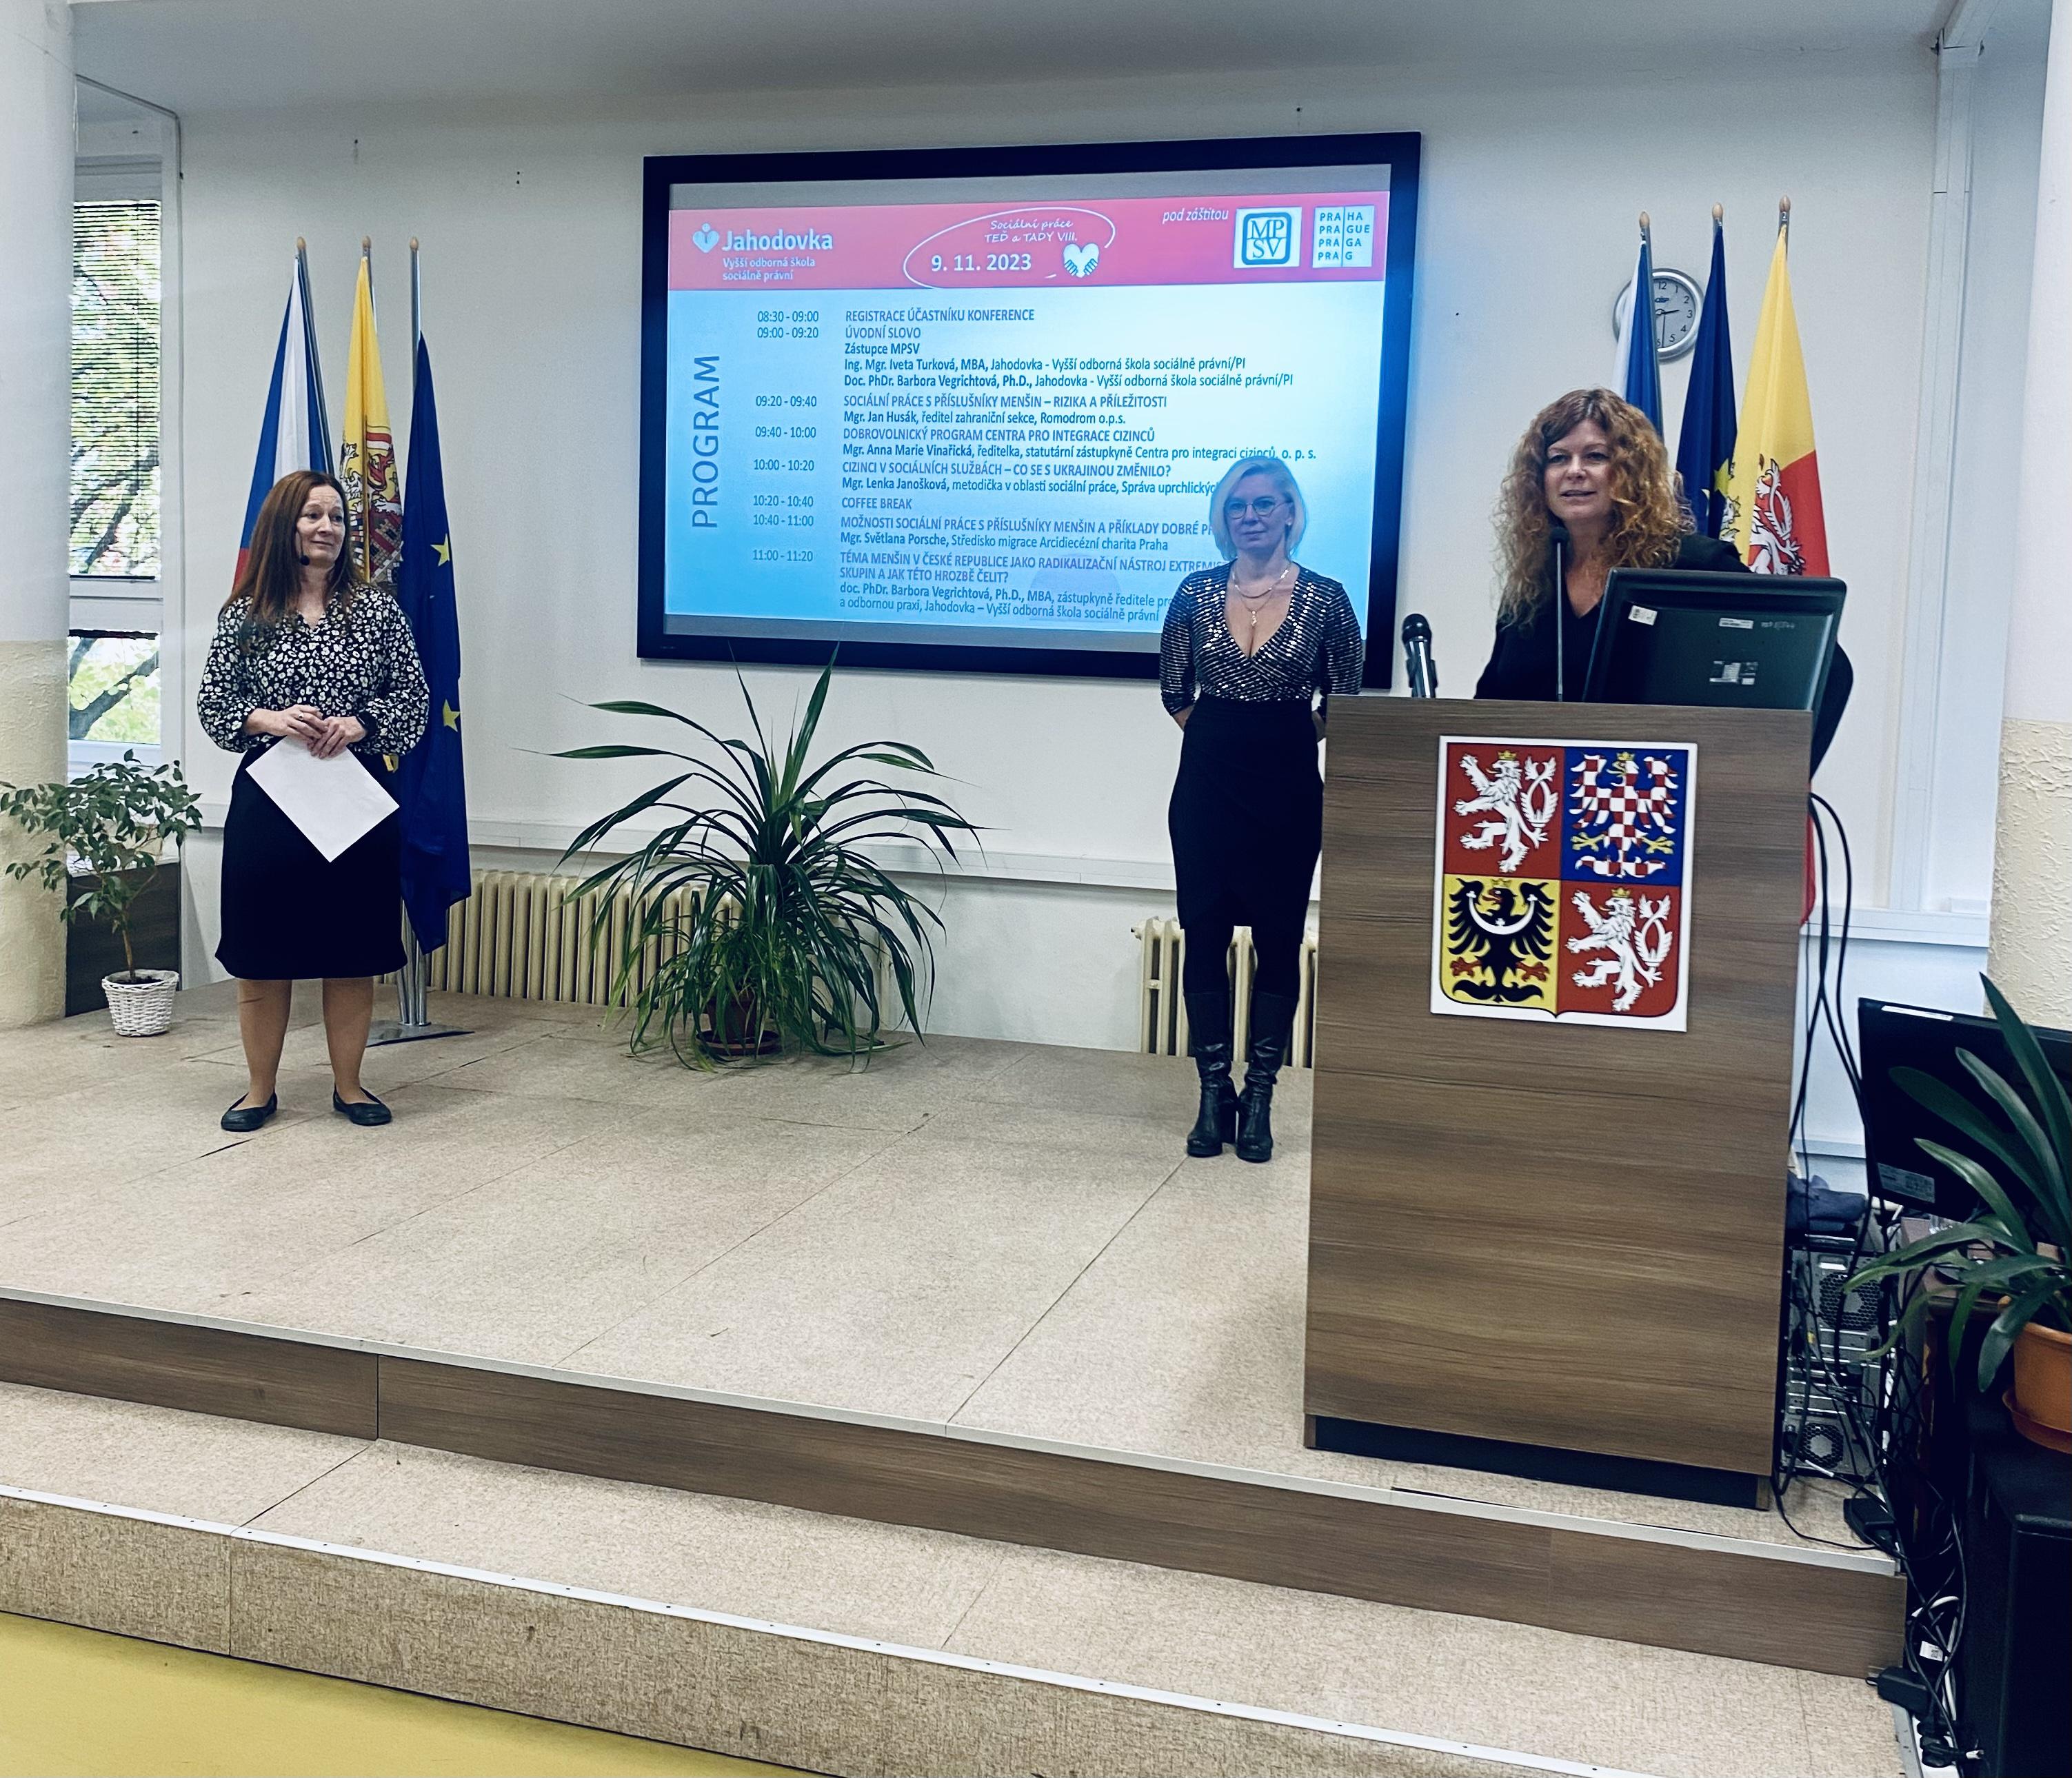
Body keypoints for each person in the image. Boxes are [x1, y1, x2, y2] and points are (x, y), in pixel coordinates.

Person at [197, 469, 429, 1133]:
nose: (327, 527)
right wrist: (271, 719)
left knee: (351, 950)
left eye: (336, 517)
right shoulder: (245, 614)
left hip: (354, 803)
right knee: (261, 954)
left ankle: (350, 1086)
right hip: (270, 806)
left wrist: (360, 724)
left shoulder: (377, 610)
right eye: (312, 515)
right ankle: (258, 1091)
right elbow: (215, 708)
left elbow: (413, 703)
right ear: (284, 525)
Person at [1476, 387, 1852, 766]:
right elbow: (1490, 706)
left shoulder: (1692, 566)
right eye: (1558, 458)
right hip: (1548, 792)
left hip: (1666, 792)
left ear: (1630, 471)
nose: (1575, 471)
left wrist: (1787, 774)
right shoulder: (1534, 584)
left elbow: (1824, 666)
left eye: (1595, 456)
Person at [1161, 456, 1362, 1164]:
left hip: (1287, 788)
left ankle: (1260, 1097)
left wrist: (1279, 739)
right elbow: (1174, 689)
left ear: (1289, 512)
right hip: (1206, 786)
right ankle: (1212, 1093)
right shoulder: (1193, 591)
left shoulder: (1328, 597)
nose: (1249, 516)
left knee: (1279, 938)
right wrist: (1227, 739)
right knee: (1203, 934)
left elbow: (1344, 697)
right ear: (1224, 517)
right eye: (1236, 505)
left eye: (1264, 503)